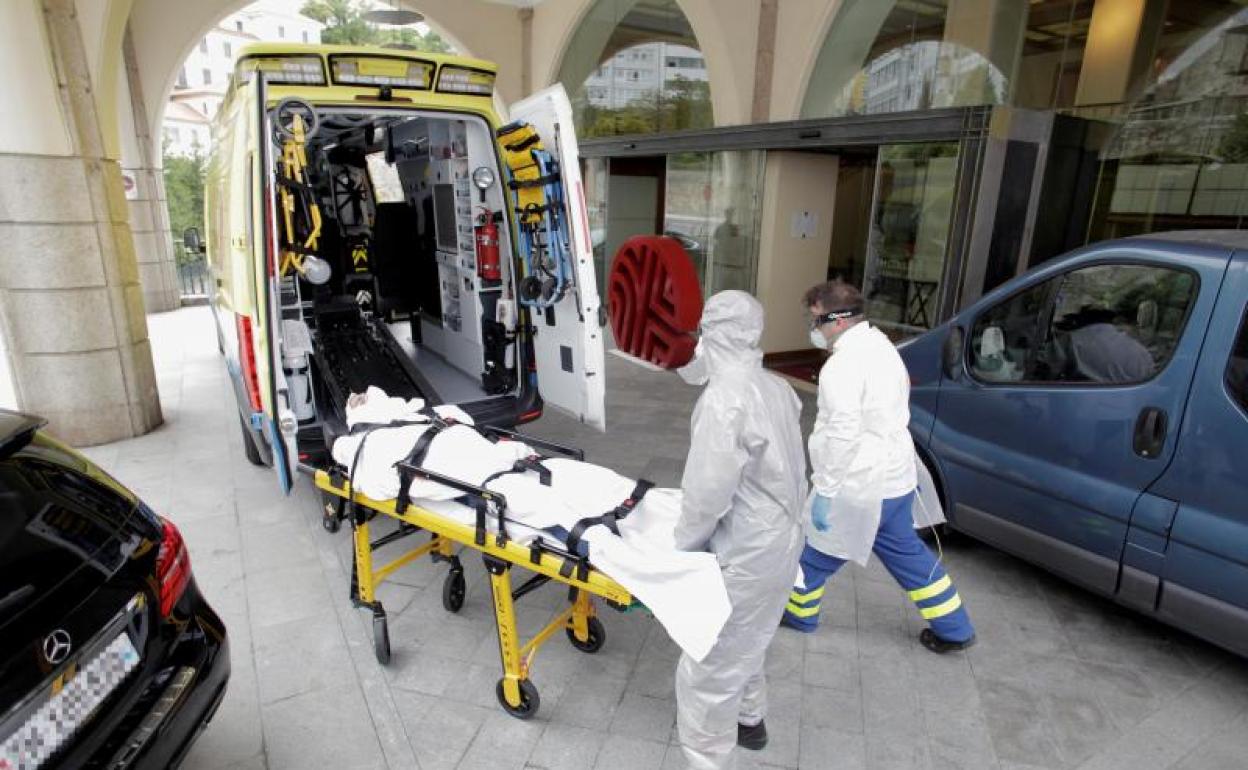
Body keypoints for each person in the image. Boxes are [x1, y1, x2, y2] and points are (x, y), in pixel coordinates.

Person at [781, 280, 976, 654]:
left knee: (814, 555)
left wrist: (826, 490)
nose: (813, 328)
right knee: (908, 554)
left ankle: (799, 615)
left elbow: (842, 434)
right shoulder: (882, 346)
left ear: (838, 320)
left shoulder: (842, 366)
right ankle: (955, 628)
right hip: (896, 479)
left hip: (858, 484)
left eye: (816, 320)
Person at [673, 290, 807, 770]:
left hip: (749, 544)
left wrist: (682, 549)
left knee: (710, 662)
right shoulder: (775, 387)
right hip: (783, 534)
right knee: (751, 635)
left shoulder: (724, 401)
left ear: (711, 334)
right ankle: (750, 720)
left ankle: (708, 759)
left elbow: (707, 492)